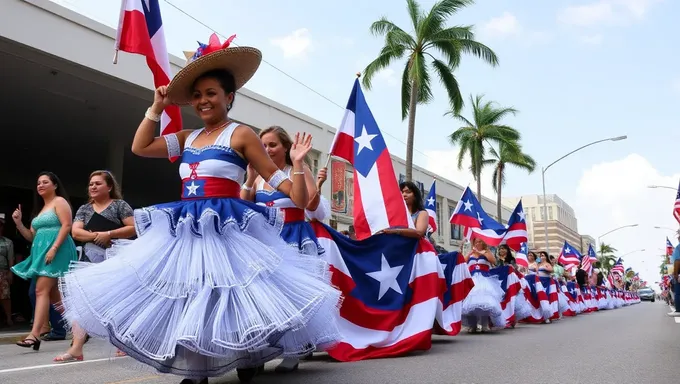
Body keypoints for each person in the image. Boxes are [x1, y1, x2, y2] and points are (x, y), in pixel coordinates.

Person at [58, 34, 341, 384]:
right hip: (186, 225)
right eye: (197, 94)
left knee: (231, 295)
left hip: (226, 227)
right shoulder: (187, 137)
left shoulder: (241, 135)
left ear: (229, 97)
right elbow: (141, 146)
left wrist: (297, 164)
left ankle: (245, 353)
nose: (203, 100)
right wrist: (157, 108)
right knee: (190, 293)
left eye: (211, 93)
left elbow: (295, 198)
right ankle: (197, 370)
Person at [54, 170, 135, 363]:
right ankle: (76, 348)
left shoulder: (119, 205)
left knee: (116, 301)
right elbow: (76, 232)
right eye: (91, 184)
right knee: (79, 301)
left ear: (109, 187)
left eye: (98, 183)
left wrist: (110, 233)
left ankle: (122, 342)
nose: (93, 187)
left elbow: (133, 227)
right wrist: (98, 236)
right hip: (90, 259)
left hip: (116, 259)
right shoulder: (84, 208)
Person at [11, 172, 78, 350]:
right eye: (38, 183)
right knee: (54, 296)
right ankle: (79, 327)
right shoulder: (40, 209)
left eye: (45, 182)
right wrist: (18, 223)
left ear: (55, 185)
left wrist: (54, 248)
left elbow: (66, 225)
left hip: (58, 250)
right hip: (42, 253)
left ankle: (34, 334)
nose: (40, 185)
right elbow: (31, 237)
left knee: (41, 290)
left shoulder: (60, 202)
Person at [0, 214, 14, 327]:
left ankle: (9, 318)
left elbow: (10, 259)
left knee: (5, 296)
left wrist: (10, 273)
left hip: (2, 272)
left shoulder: (7, 242)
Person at [668, 229, 680, 317]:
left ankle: (678, 310)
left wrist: (676, 274)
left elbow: (677, 261)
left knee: (678, 293)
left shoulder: (678, 248)